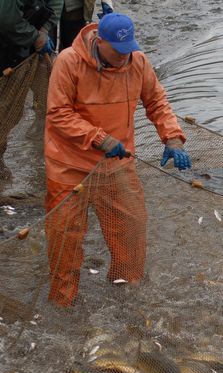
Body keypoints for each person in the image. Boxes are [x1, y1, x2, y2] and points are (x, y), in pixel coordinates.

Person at [44, 13, 192, 307]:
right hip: (69, 166)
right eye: (118, 51)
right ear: (100, 42)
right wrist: (99, 138)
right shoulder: (68, 61)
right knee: (65, 239)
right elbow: (58, 114)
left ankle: (126, 299)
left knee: (130, 233)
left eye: (129, 50)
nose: (125, 58)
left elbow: (157, 101)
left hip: (116, 164)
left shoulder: (137, 60)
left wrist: (172, 137)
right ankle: (63, 304)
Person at [0, 0, 62, 178]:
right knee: (4, 106)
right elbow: (7, 20)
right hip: (7, 39)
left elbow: (57, 3)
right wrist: (34, 37)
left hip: (25, 42)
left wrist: (43, 31)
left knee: (15, 108)